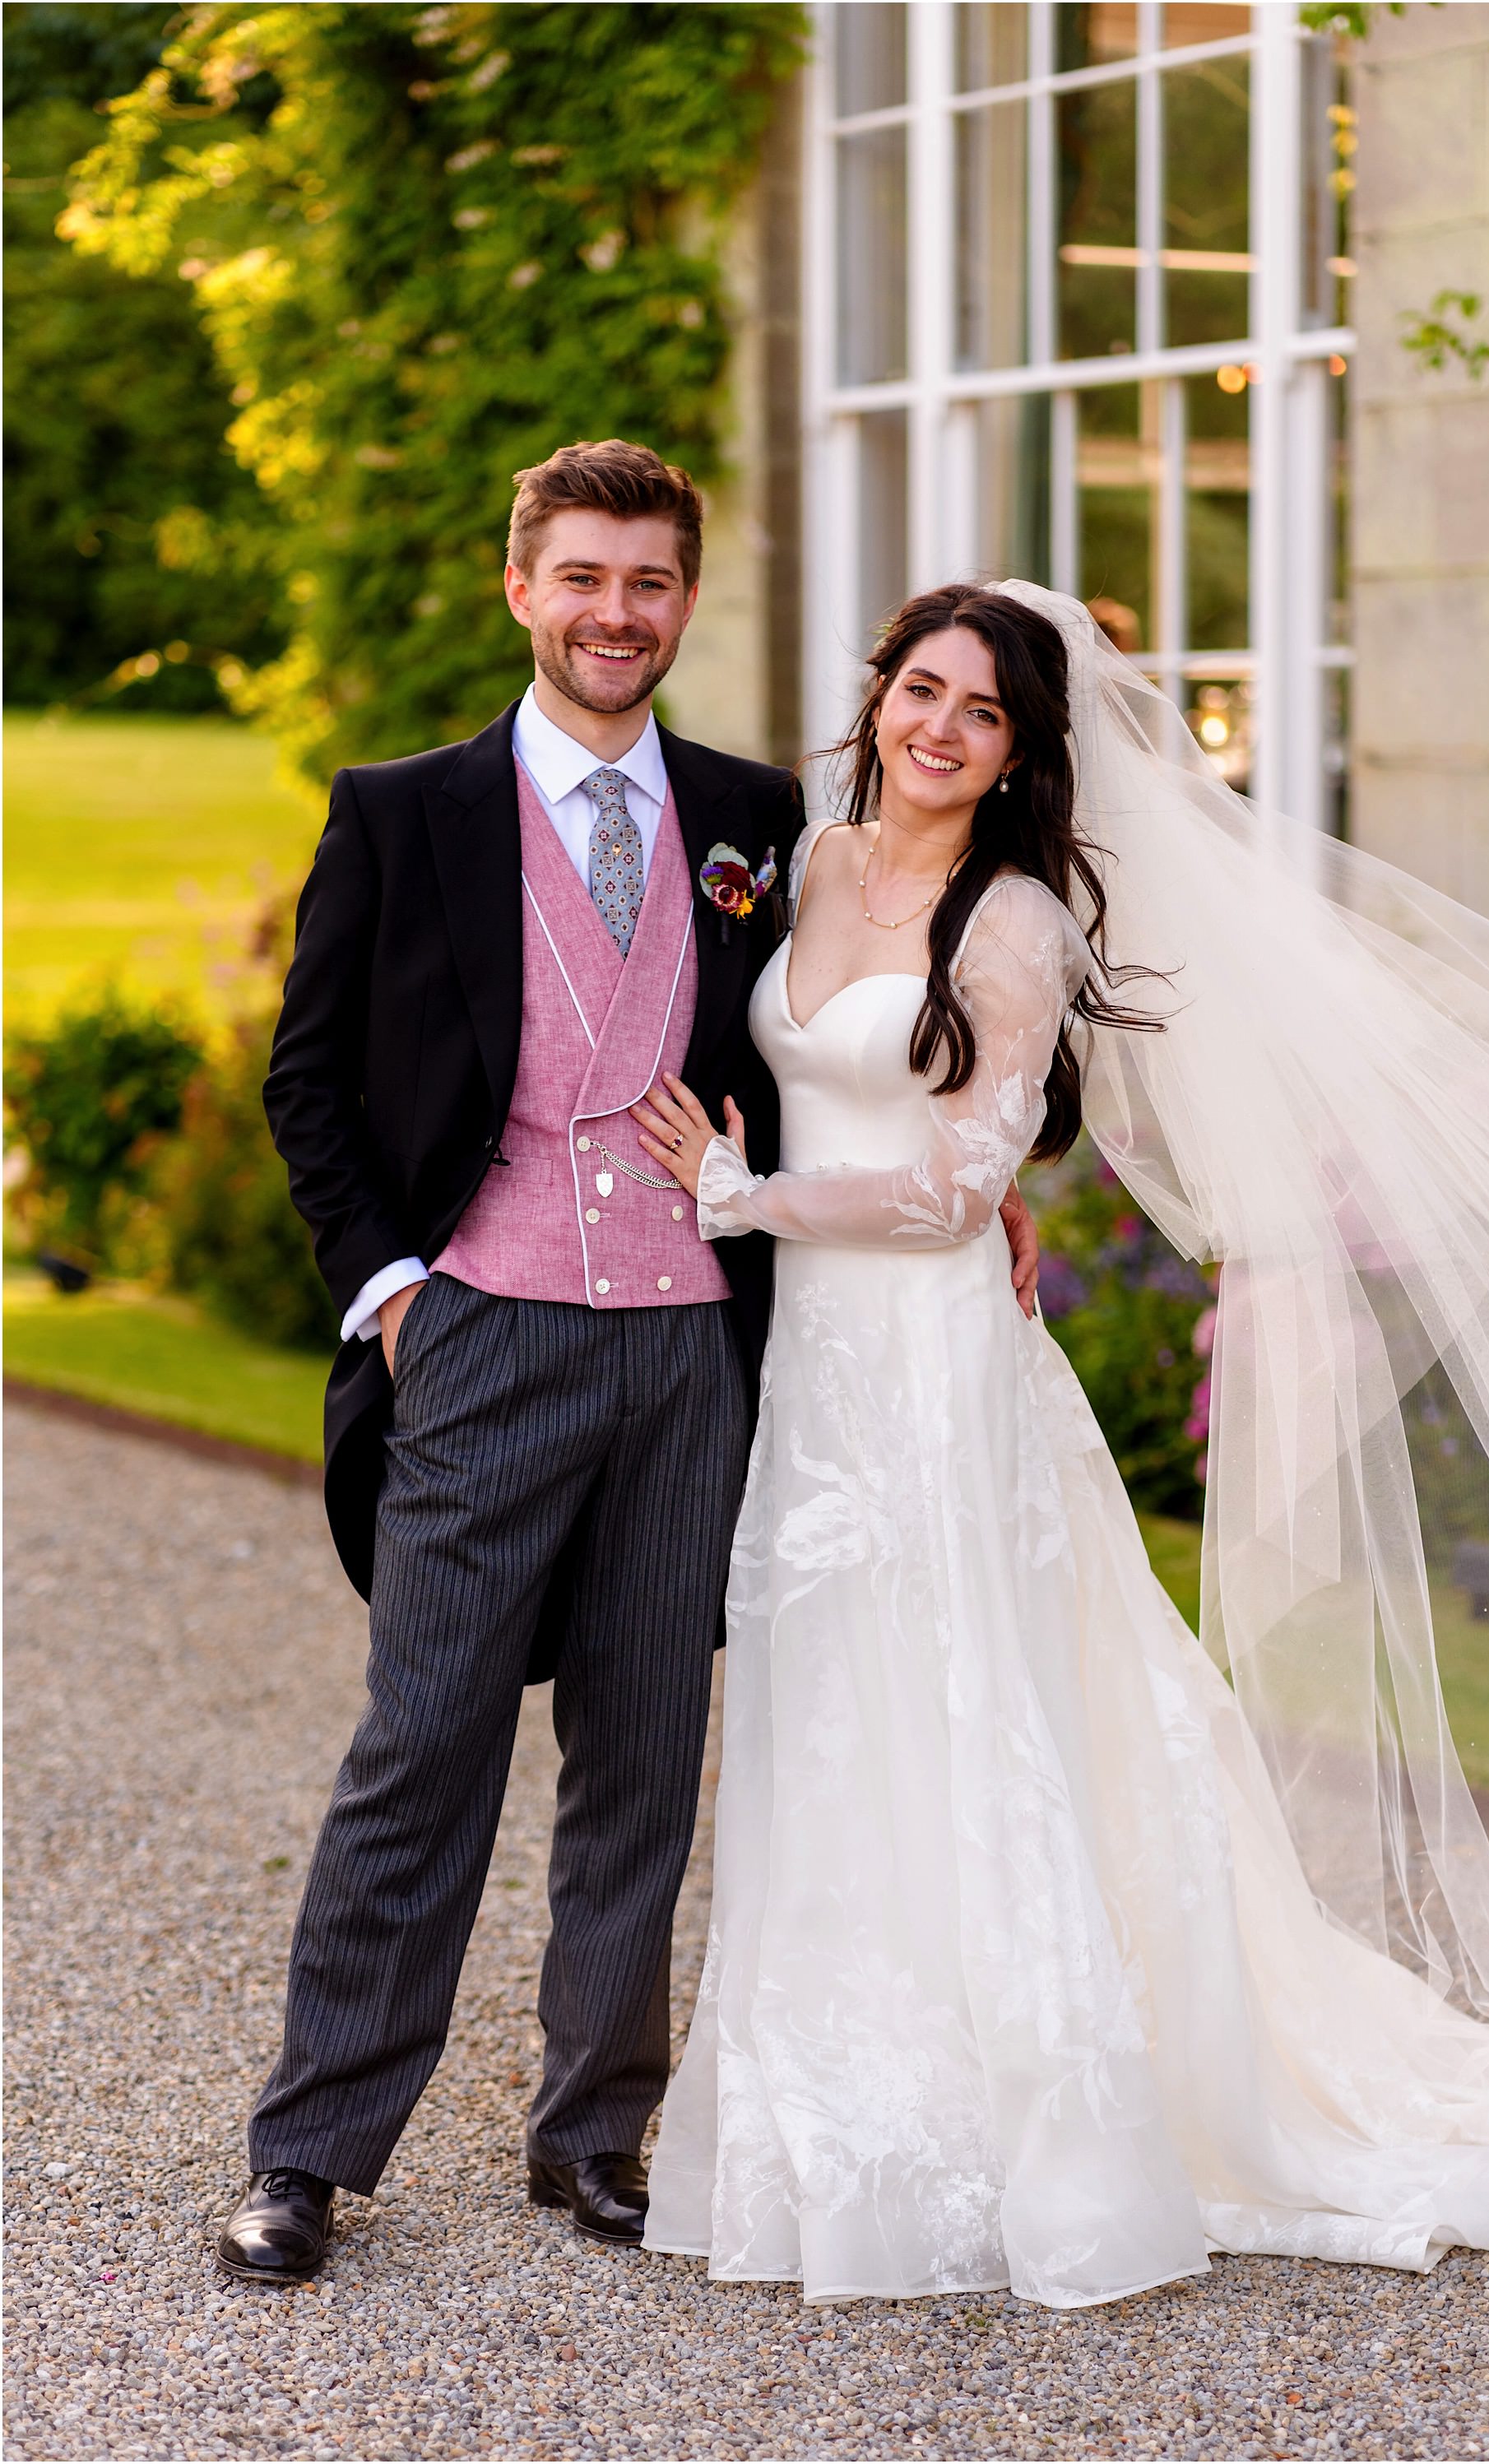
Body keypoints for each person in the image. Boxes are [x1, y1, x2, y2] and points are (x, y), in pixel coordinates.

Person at [632, 580, 1489, 2309]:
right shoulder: (805, 865)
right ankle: (837, 2117)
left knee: (976, 1704)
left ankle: (1045, 2127)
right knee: (830, 1700)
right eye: (921, 691)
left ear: (1024, 753)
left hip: (937, 1364)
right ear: (878, 694)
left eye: (983, 714)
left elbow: (962, 1179)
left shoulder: (1015, 917)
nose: (938, 729)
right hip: (815, 1365)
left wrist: (744, 1197)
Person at [214, 435, 1046, 2285]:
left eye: (650, 579)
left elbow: (899, 1019)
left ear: (684, 597)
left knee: (645, 1762)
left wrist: (985, 1191)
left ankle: (595, 2132)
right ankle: (310, 2147)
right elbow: (313, 1082)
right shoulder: (403, 810)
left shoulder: (759, 819)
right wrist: (394, 1287)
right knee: (419, 1746)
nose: (617, 612)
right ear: (524, 587)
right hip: (485, 1330)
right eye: (583, 576)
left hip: (693, 1355)